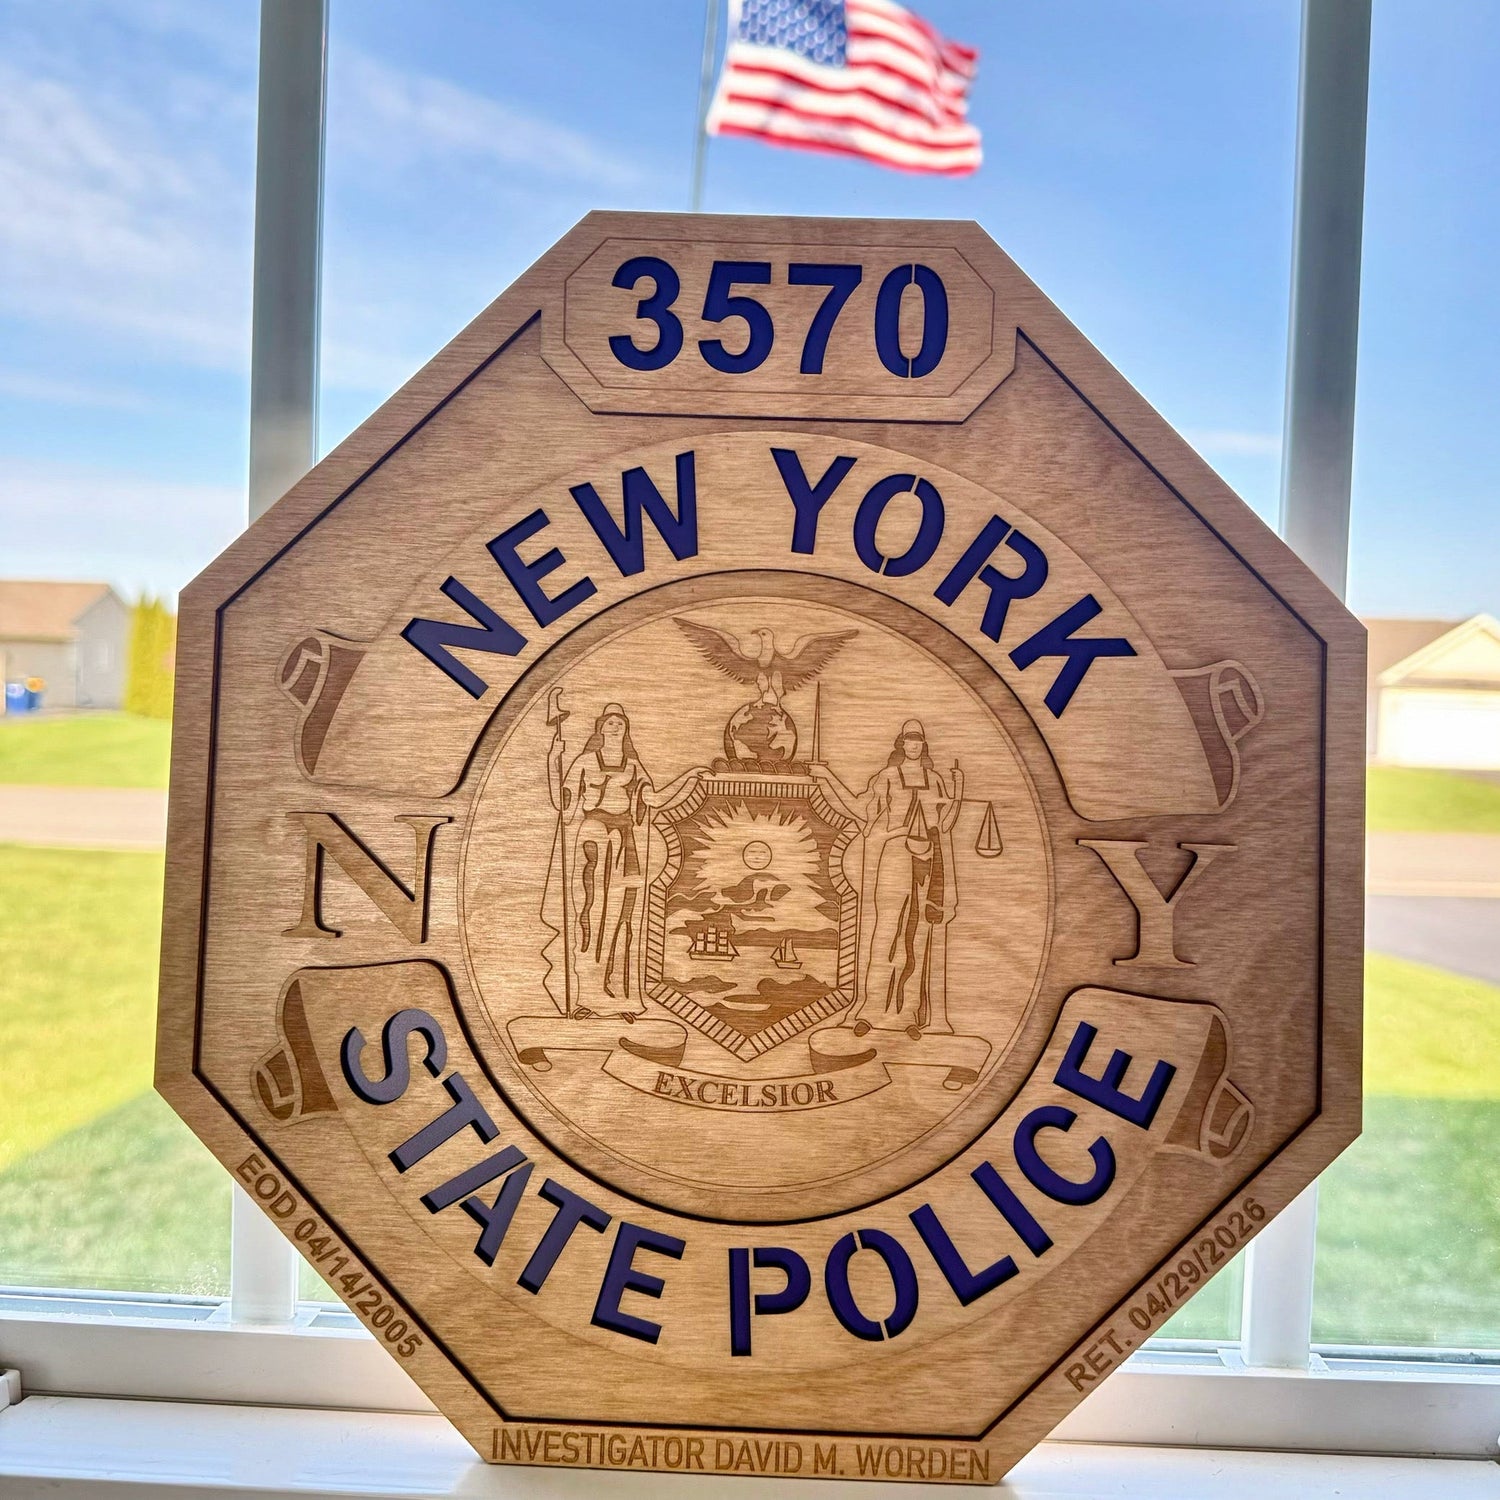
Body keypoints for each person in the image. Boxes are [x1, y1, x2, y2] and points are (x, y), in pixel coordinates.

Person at [544, 702, 703, 1018]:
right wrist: (552, 759)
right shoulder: (585, 762)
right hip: (593, 839)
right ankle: (587, 998)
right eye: (610, 722)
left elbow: (655, 800)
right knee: (591, 916)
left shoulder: (633, 767)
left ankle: (620, 1000)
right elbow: (563, 804)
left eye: (620, 722)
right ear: (600, 728)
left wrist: (689, 777)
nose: (615, 726)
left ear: (626, 728)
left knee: (623, 919)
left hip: (626, 845)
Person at [812, 720, 962, 1039]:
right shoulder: (888, 776)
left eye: (919, 740)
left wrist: (958, 792)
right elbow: (860, 808)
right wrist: (827, 777)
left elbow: (945, 824)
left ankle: (908, 1015)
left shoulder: (935, 780)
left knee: (917, 935)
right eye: (909, 739)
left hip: (926, 858)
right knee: (886, 933)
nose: (914, 745)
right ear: (901, 743)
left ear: (923, 744)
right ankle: (870, 1010)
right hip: (895, 854)